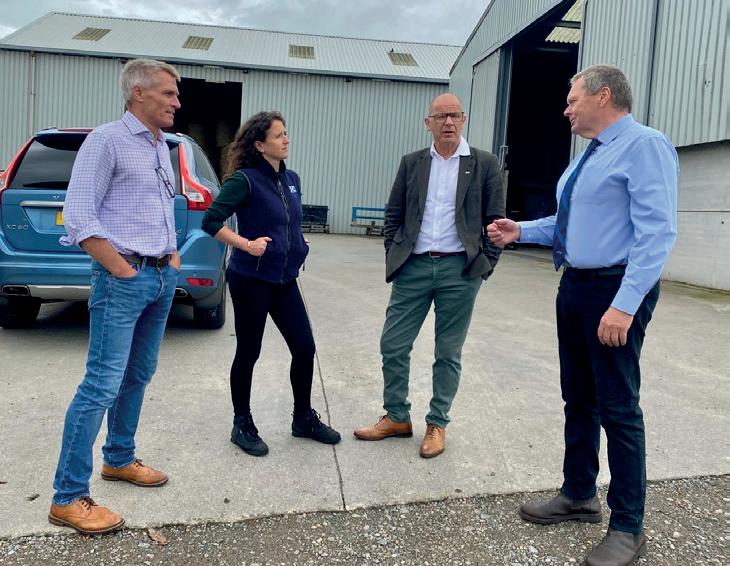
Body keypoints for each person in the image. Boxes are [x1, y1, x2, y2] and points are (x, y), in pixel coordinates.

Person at [487, 65, 678, 566]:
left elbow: (657, 232)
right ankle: (578, 493)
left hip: (613, 289)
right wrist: (521, 231)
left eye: (573, 100)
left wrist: (624, 304)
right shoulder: (588, 157)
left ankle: (628, 527)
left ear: (603, 95)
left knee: (618, 406)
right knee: (578, 396)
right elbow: (572, 223)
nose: (566, 109)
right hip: (575, 285)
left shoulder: (644, 146)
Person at [49, 59, 182, 535]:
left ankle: (119, 458)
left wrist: (171, 255)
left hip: (160, 277)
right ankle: (68, 497)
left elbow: (160, 208)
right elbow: (79, 216)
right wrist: (122, 270)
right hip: (124, 279)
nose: (176, 102)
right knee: (100, 385)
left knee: (139, 374)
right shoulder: (106, 141)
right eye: (168, 93)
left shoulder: (161, 146)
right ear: (138, 93)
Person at [354, 93, 505, 459]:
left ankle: (437, 423)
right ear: (428, 123)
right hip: (414, 267)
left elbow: (496, 222)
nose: (448, 122)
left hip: (460, 270)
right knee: (393, 344)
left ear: (463, 119)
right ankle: (397, 416)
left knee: (448, 352)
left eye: (454, 115)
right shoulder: (413, 163)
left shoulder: (484, 164)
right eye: (440, 116)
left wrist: (484, 265)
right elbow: (394, 214)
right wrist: (396, 253)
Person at [202, 111, 340, 457]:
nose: (286, 140)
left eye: (285, 133)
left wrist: (298, 242)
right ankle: (242, 423)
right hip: (251, 279)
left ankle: (302, 418)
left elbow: (287, 220)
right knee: (249, 352)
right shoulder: (244, 180)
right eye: (278, 136)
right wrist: (245, 244)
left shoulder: (291, 178)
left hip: (284, 279)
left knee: (304, 347)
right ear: (260, 145)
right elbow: (211, 220)